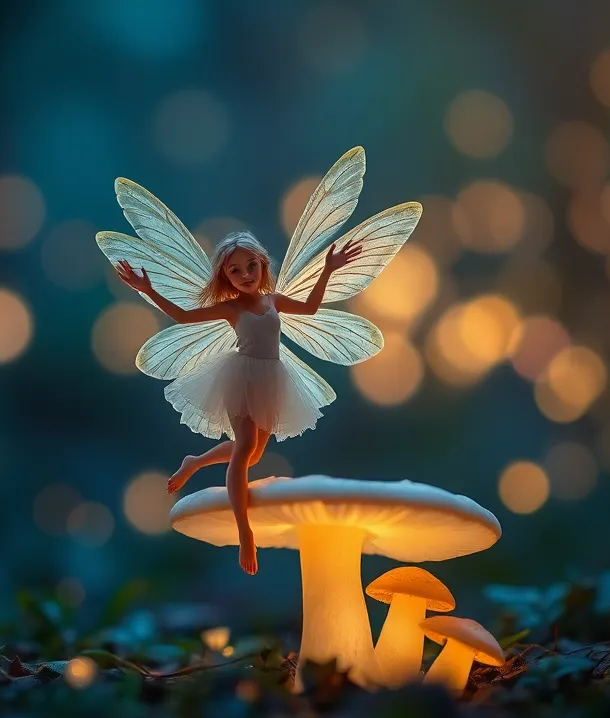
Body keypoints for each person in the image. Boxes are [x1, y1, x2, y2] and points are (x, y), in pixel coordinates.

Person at [98, 146, 423, 575]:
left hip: (273, 378)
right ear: (225, 279)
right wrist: (148, 287)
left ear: (262, 265)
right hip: (240, 376)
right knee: (247, 449)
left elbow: (308, 309)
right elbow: (182, 316)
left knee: (250, 453)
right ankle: (244, 530)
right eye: (235, 271)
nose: (245, 274)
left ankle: (195, 462)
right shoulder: (231, 309)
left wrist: (328, 268)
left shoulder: (273, 300)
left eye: (250, 266)